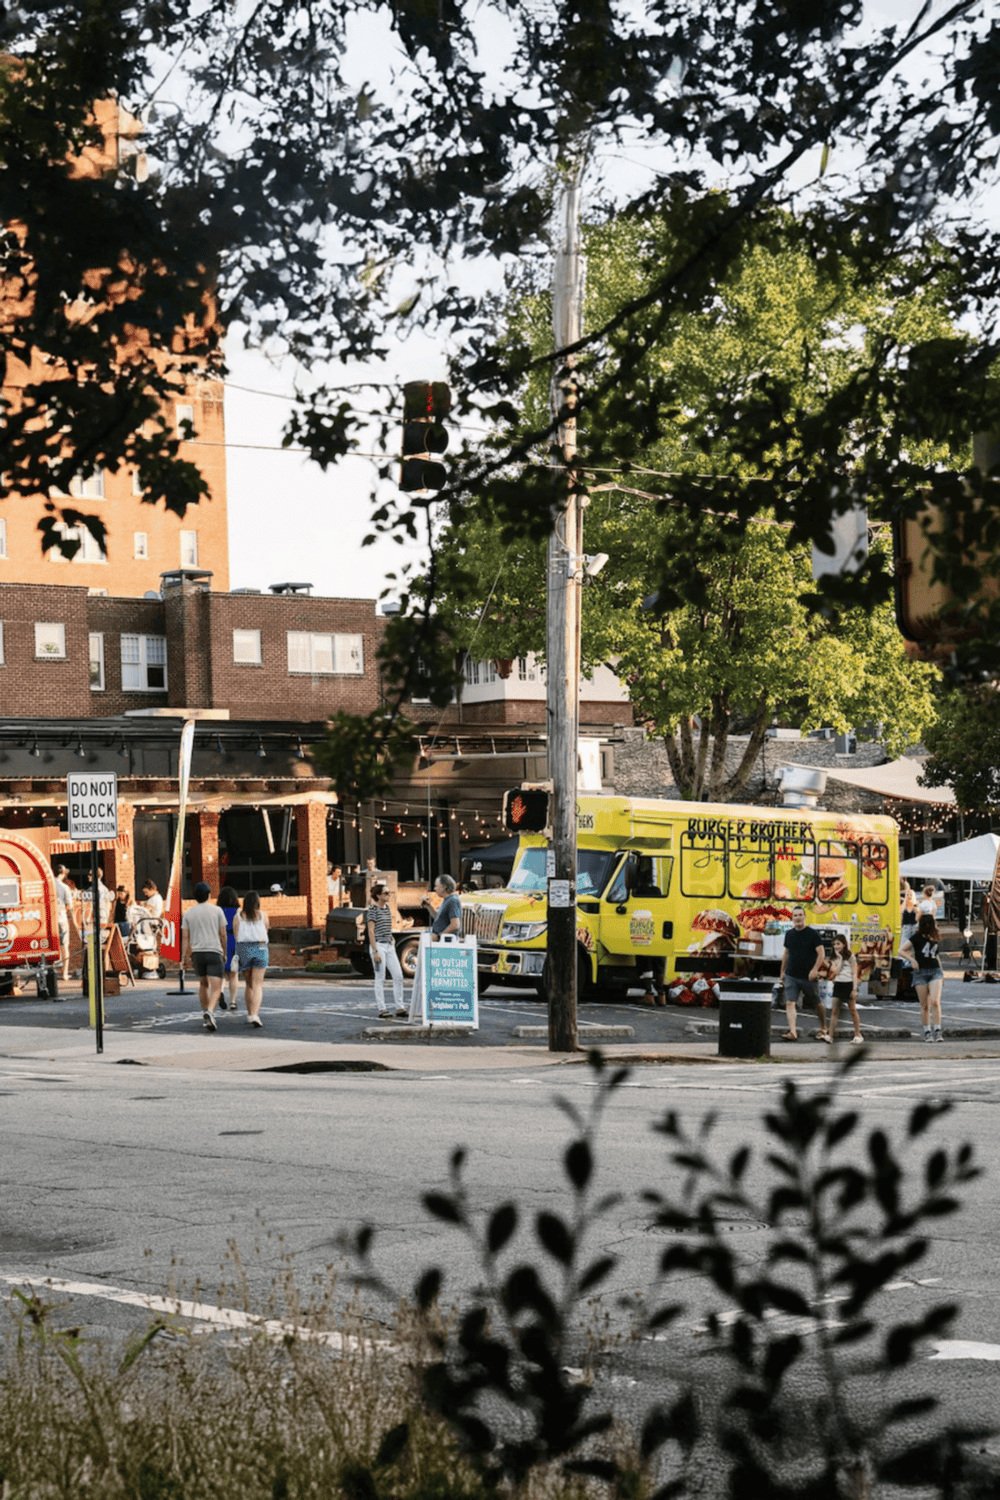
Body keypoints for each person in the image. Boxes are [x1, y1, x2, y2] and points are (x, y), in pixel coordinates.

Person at [181, 881, 228, 1032]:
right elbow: (223, 934)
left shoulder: (188, 913)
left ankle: (205, 1013)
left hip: (197, 953)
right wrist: (225, 952)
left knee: (203, 984)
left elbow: (185, 938)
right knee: (217, 987)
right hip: (214, 951)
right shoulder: (217, 911)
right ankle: (210, 1011)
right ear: (209, 895)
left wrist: (183, 957)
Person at [779, 905, 828, 1042]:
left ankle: (823, 1027)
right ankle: (793, 1032)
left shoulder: (813, 934)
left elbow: (821, 954)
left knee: (816, 1003)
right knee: (790, 1002)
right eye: (795, 915)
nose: (798, 918)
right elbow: (786, 954)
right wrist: (782, 972)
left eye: (800, 915)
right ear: (792, 918)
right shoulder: (789, 934)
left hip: (808, 976)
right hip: (791, 975)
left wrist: (815, 970)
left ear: (805, 916)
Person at [901, 912, 945, 1042]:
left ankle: (937, 1030)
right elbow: (901, 950)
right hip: (921, 972)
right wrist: (912, 960)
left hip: (935, 971)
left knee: (935, 1002)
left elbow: (937, 956)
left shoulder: (935, 937)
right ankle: (927, 1032)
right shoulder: (916, 937)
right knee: (924, 1004)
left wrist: (942, 972)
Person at [366, 882, 406, 1018]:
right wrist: (375, 950)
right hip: (378, 946)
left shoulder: (387, 908)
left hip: (389, 945)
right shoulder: (372, 909)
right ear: (378, 895)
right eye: (386, 893)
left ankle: (400, 1007)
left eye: (389, 892)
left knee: (398, 976)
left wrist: (392, 939)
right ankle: (382, 1009)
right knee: (380, 977)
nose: (389, 895)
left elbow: (387, 927)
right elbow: (370, 931)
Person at [234, 890, 269, 1028]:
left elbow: (236, 933)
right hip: (260, 947)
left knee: (248, 984)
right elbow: (266, 930)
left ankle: (250, 1013)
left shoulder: (238, 916)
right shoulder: (263, 916)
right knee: (257, 984)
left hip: (244, 949)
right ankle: (255, 1014)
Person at [826, 932, 863, 1045]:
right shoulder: (833, 957)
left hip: (849, 984)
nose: (836, 946)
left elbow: (854, 973)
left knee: (852, 1010)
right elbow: (836, 971)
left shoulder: (850, 955)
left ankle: (858, 1035)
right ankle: (830, 1036)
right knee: (834, 1011)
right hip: (838, 984)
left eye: (838, 943)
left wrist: (854, 989)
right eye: (834, 944)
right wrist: (840, 958)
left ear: (844, 944)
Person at [52, 864, 78, 984]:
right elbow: (69, 906)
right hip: (61, 918)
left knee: (51, 945)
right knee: (64, 946)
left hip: (50, 919)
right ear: (62, 873)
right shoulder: (64, 887)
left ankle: (50, 971)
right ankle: (64, 972)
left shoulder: (49, 885)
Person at [217, 884, 241, 1011]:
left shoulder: (218, 911)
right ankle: (232, 1002)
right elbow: (238, 930)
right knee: (234, 973)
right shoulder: (237, 912)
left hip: (220, 941)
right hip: (232, 940)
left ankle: (220, 992)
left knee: (222, 973)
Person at [430, 874, 462, 941]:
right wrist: (428, 906)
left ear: (444, 887)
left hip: (447, 944)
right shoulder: (446, 900)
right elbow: (438, 917)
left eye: (436, 886)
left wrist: (439, 936)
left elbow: (455, 925)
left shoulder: (453, 900)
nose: (434, 889)